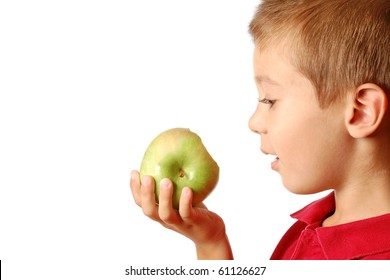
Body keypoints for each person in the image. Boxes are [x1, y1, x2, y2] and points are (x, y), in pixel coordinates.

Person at [130, 0, 390, 260]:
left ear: (361, 111)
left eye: (270, 100)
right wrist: (210, 241)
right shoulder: (312, 225)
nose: (254, 122)